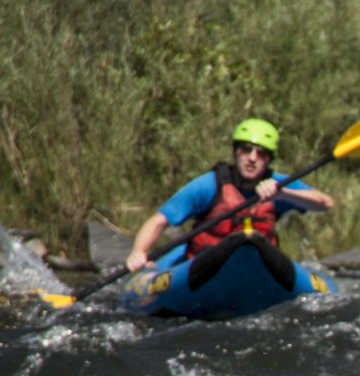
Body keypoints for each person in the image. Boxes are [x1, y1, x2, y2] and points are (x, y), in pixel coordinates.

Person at [125, 117, 334, 288]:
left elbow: (325, 203)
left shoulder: (278, 185)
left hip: (259, 270)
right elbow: (158, 221)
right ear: (235, 152)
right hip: (204, 269)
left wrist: (284, 195)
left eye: (261, 153)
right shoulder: (209, 185)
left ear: (269, 160)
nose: (252, 158)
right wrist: (138, 252)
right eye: (246, 149)